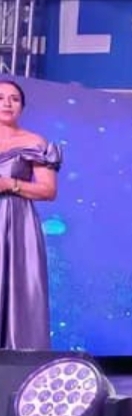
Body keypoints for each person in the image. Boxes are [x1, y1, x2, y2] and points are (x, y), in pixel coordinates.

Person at [0, 80, 61, 351]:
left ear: (22, 107)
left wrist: (9, 184)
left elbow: (48, 190)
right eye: (0, 98)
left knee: (18, 288)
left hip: (16, 223)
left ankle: (18, 359)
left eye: (14, 99)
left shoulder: (34, 142)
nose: (7, 103)